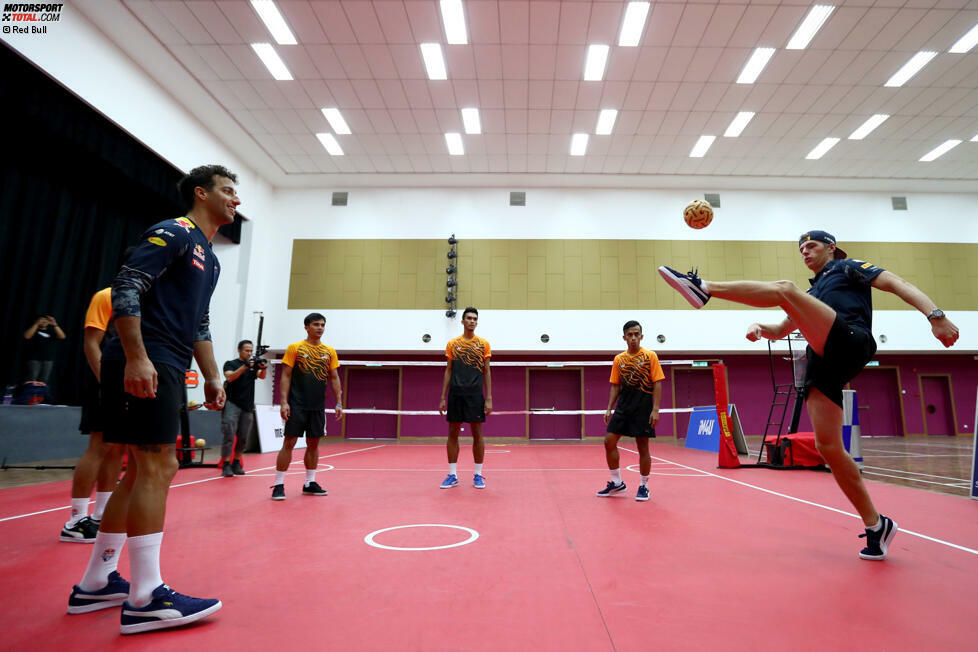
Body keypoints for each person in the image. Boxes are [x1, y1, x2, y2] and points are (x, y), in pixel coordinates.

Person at [658, 229, 960, 560]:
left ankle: (704, 289)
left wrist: (936, 316)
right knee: (828, 447)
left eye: (811, 245)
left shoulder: (849, 267)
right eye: (801, 248)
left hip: (850, 339)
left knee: (783, 288)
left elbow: (897, 284)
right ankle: (877, 526)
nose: (805, 251)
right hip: (822, 363)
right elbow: (781, 329)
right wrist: (761, 328)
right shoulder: (811, 292)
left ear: (831, 247)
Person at [67, 165, 239, 633]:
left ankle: (97, 582)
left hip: (170, 359)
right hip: (147, 356)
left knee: (144, 467)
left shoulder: (213, 258)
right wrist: (138, 357)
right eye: (227, 191)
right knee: (159, 465)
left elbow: (200, 322)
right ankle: (145, 597)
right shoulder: (175, 231)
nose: (235, 200)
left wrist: (211, 376)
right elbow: (126, 286)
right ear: (200, 194)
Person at [60, 269, 130, 542]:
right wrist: (108, 383)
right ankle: (75, 520)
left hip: (127, 383)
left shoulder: (140, 302)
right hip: (105, 382)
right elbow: (92, 343)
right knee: (99, 446)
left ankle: (101, 514)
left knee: (117, 448)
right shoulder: (106, 296)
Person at [273, 313, 343, 500]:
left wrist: (338, 402)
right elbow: (286, 376)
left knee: (314, 444)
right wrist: (284, 401)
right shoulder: (295, 348)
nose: (320, 328)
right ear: (306, 327)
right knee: (289, 443)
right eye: (316, 324)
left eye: (322, 325)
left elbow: (334, 377)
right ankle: (278, 485)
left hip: (317, 406)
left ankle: (309, 483)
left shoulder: (329, 351)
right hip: (297, 405)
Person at [597, 320, 664, 502]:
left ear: (641, 336)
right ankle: (617, 482)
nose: (633, 338)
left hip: (643, 408)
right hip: (623, 408)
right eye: (630, 334)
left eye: (636, 334)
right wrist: (609, 408)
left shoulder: (650, 356)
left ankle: (644, 486)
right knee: (609, 441)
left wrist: (655, 409)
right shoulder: (619, 359)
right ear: (624, 337)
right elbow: (615, 386)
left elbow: (657, 382)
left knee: (643, 446)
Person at [438, 307, 492, 489]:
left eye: (475, 319)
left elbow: (487, 371)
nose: (472, 321)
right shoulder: (453, 344)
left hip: (475, 395)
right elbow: (448, 370)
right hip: (455, 394)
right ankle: (452, 475)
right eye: (469, 318)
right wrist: (442, 397)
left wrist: (489, 397)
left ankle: (478, 475)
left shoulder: (484, 344)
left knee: (477, 433)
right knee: (452, 432)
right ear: (462, 321)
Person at [220, 339, 266, 477]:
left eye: (251, 350)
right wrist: (244, 366)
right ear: (239, 350)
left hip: (247, 405)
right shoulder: (230, 363)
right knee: (229, 433)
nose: (249, 353)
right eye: (246, 350)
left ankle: (236, 462)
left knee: (243, 437)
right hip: (232, 403)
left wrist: (262, 367)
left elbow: (262, 376)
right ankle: (226, 464)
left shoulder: (253, 366)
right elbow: (230, 378)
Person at [23, 314, 66, 385]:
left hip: (48, 359)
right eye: (41, 320)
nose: (44, 321)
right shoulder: (34, 330)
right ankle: (29, 394)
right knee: (32, 379)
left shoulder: (51, 331)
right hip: (34, 359)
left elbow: (62, 336)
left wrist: (55, 324)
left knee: (44, 380)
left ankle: (39, 395)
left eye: (46, 320)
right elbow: (27, 336)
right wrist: (36, 324)